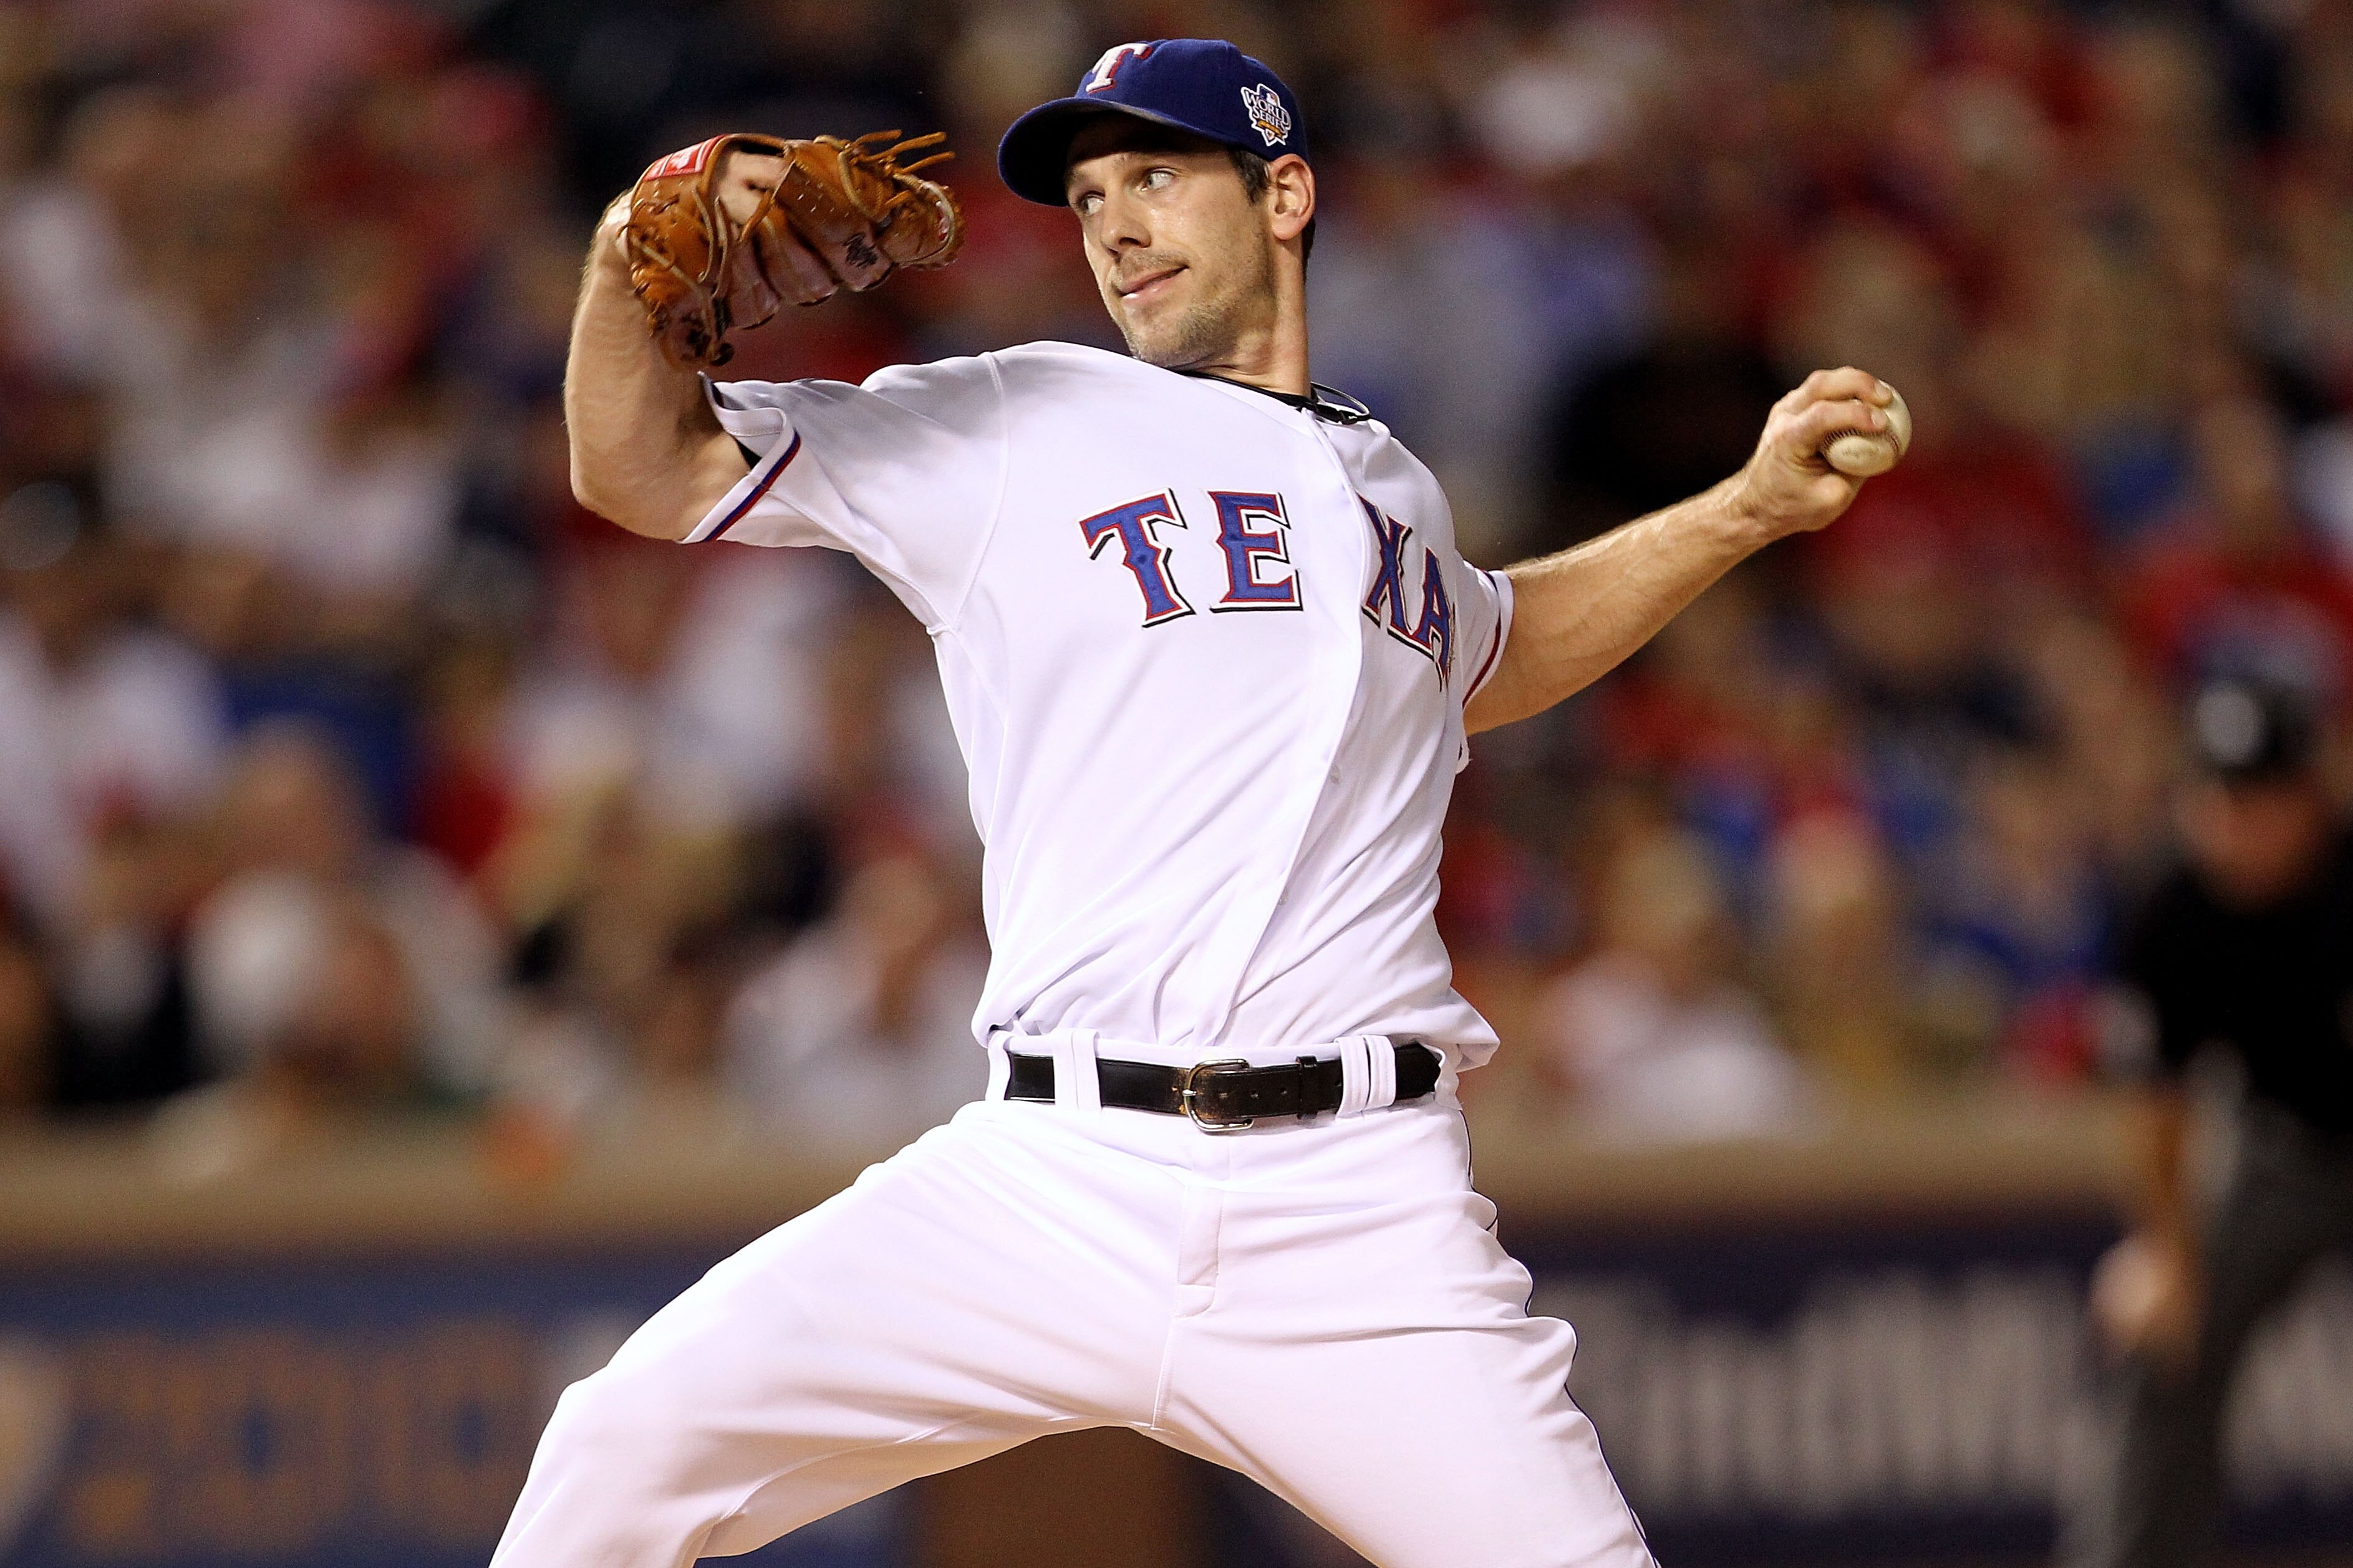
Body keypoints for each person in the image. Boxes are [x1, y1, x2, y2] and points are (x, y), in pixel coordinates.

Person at [495, 39, 1898, 1568]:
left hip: (1353, 1212)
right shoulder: (1019, 415)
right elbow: (637, 466)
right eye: (1090, 194)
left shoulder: (1396, 489)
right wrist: (633, 252)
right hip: (1049, 1176)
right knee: (618, 1452)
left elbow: (1491, 647)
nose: (1114, 222)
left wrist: (1743, 509)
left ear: (1282, 191)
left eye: (1157, 173)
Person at [2068, 674, 2353, 1568]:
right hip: (2286, 1155)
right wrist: (2165, 1250)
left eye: (2262, 796)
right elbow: (2154, 1102)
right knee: (2162, 1335)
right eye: (2219, 795)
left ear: (2309, 793)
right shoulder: (2172, 908)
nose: (2238, 821)